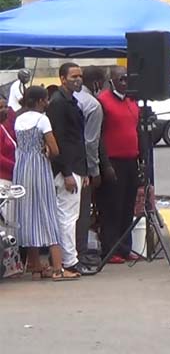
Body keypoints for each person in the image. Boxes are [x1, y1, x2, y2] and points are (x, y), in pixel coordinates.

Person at [13, 86, 80, 280]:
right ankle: (58, 268)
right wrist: (46, 151)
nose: (47, 102)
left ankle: (35, 266)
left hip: (22, 168)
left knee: (28, 215)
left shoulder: (19, 119)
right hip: (39, 168)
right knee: (47, 212)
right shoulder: (42, 119)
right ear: (40, 101)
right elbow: (55, 149)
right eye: (45, 99)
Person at [47, 63, 93, 276]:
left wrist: (83, 172)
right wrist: (67, 173)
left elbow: (78, 140)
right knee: (67, 216)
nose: (78, 80)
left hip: (76, 166)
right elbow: (59, 141)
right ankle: (69, 261)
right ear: (62, 79)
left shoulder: (72, 102)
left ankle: (69, 258)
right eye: (74, 76)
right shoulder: (58, 104)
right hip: (67, 167)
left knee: (69, 216)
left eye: (80, 76)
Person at [96, 67, 140, 264]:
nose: (125, 82)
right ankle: (109, 248)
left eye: (128, 78)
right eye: (121, 79)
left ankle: (124, 248)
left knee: (127, 207)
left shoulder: (131, 101)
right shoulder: (103, 101)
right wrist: (105, 165)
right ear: (111, 80)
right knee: (111, 208)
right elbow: (98, 136)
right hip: (113, 162)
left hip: (131, 161)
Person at [73, 66, 109, 267]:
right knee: (82, 211)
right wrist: (94, 171)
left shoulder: (71, 100)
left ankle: (70, 252)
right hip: (83, 167)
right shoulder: (93, 105)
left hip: (64, 165)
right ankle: (80, 252)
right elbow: (91, 141)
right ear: (96, 83)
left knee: (68, 213)